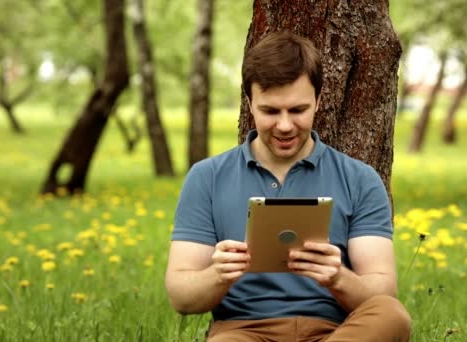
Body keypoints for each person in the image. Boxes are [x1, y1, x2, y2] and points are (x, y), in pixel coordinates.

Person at [165, 31, 411, 341]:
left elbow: (382, 293)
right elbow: (181, 298)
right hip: (243, 331)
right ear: (249, 103)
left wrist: (338, 278)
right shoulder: (207, 177)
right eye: (270, 111)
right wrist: (218, 275)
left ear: (318, 102)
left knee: (392, 316)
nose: (284, 125)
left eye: (297, 110)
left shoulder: (359, 179)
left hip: (334, 333)